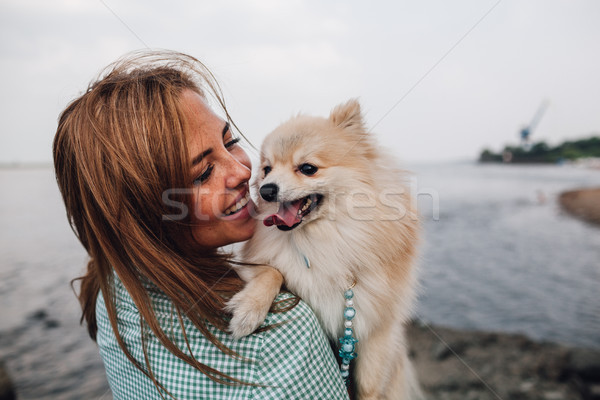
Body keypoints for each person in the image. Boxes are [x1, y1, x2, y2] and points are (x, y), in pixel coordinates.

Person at [53, 50, 349, 400]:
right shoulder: (282, 336)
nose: (243, 172)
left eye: (230, 142)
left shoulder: (109, 286)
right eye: (203, 173)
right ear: (146, 214)